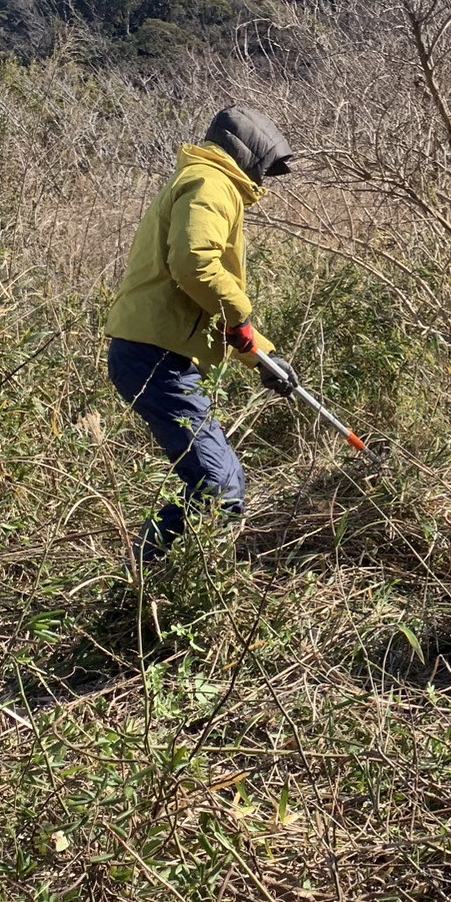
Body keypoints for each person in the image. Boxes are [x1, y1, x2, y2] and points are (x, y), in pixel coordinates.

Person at [104, 105, 300, 569]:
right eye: (265, 166)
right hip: (153, 356)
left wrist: (264, 359)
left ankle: (154, 578)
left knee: (217, 484)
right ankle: (144, 584)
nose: (265, 178)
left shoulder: (204, 182)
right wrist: (240, 307)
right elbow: (195, 266)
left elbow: (209, 307)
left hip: (154, 351)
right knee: (218, 487)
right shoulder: (212, 184)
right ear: (245, 154)